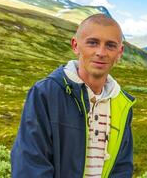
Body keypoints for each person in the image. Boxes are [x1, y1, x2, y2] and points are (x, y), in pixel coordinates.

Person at [11, 14, 136, 178]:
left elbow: (122, 168)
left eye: (110, 46)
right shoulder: (46, 92)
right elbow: (30, 165)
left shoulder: (122, 103)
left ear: (120, 52)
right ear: (75, 45)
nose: (101, 52)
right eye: (93, 43)